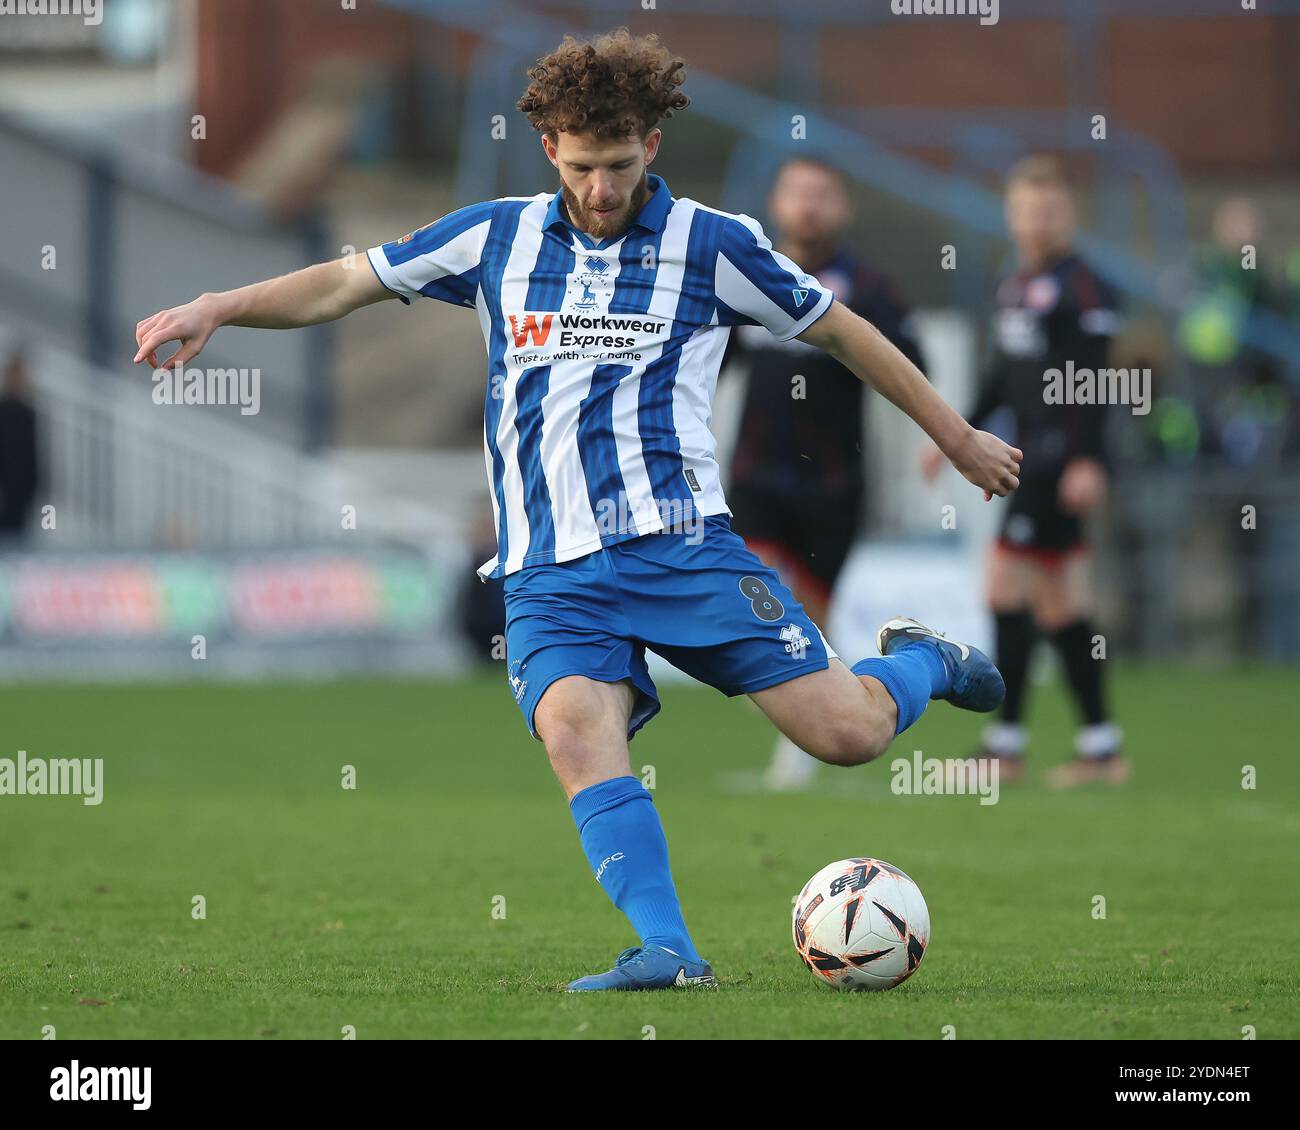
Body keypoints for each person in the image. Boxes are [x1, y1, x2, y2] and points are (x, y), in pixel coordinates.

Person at [133, 28, 1020, 992]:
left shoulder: (715, 245)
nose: (603, 189)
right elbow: (346, 281)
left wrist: (959, 433)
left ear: (654, 150)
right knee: (573, 732)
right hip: (550, 571)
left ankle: (922, 657)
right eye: (587, 165)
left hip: (684, 552)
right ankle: (670, 952)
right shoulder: (493, 236)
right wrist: (220, 303)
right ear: (550, 149)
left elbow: (850, 336)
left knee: (847, 737)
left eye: (623, 165)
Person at [722, 156, 926, 790]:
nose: (809, 206)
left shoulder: (869, 289)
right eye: (797, 193)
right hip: (754, 475)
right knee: (757, 595)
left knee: (808, 611)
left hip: (833, 482)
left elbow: (907, 367)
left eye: (823, 195)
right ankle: (807, 733)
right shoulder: (745, 275)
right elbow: (704, 362)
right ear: (777, 203)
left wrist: (943, 441)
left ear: (843, 208)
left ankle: (811, 739)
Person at [924, 155, 1126, 788]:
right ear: (1011, 216)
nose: (1037, 221)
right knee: (1059, 603)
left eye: (1050, 209)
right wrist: (953, 432)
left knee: (1009, 589)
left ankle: (1008, 746)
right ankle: (1099, 747)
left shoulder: (1085, 287)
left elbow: (1096, 380)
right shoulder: (1014, 285)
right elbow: (1002, 376)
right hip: (1028, 460)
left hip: (1057, 464)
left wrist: (1089, 458)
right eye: (1026, 209)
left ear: (1068, 215)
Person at [0, 346, 41, 543]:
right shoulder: (3, 409)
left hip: (21, 491)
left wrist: (35, 485)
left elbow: (33, 453)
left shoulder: (28, 412)